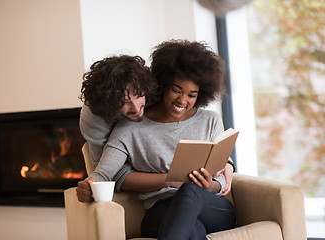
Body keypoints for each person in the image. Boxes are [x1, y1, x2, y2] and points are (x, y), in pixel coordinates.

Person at [78, 39, 236, 239]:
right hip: (160, 209)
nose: (182, 100)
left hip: (211, 206)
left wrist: (210, 185)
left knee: (189, 191)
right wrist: (88, 184)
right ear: (163, 86)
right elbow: (104, 172)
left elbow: (220, 177)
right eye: (176, 90)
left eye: (192, 95)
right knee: (193, 229)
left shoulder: (210, 121)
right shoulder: (125, 129)